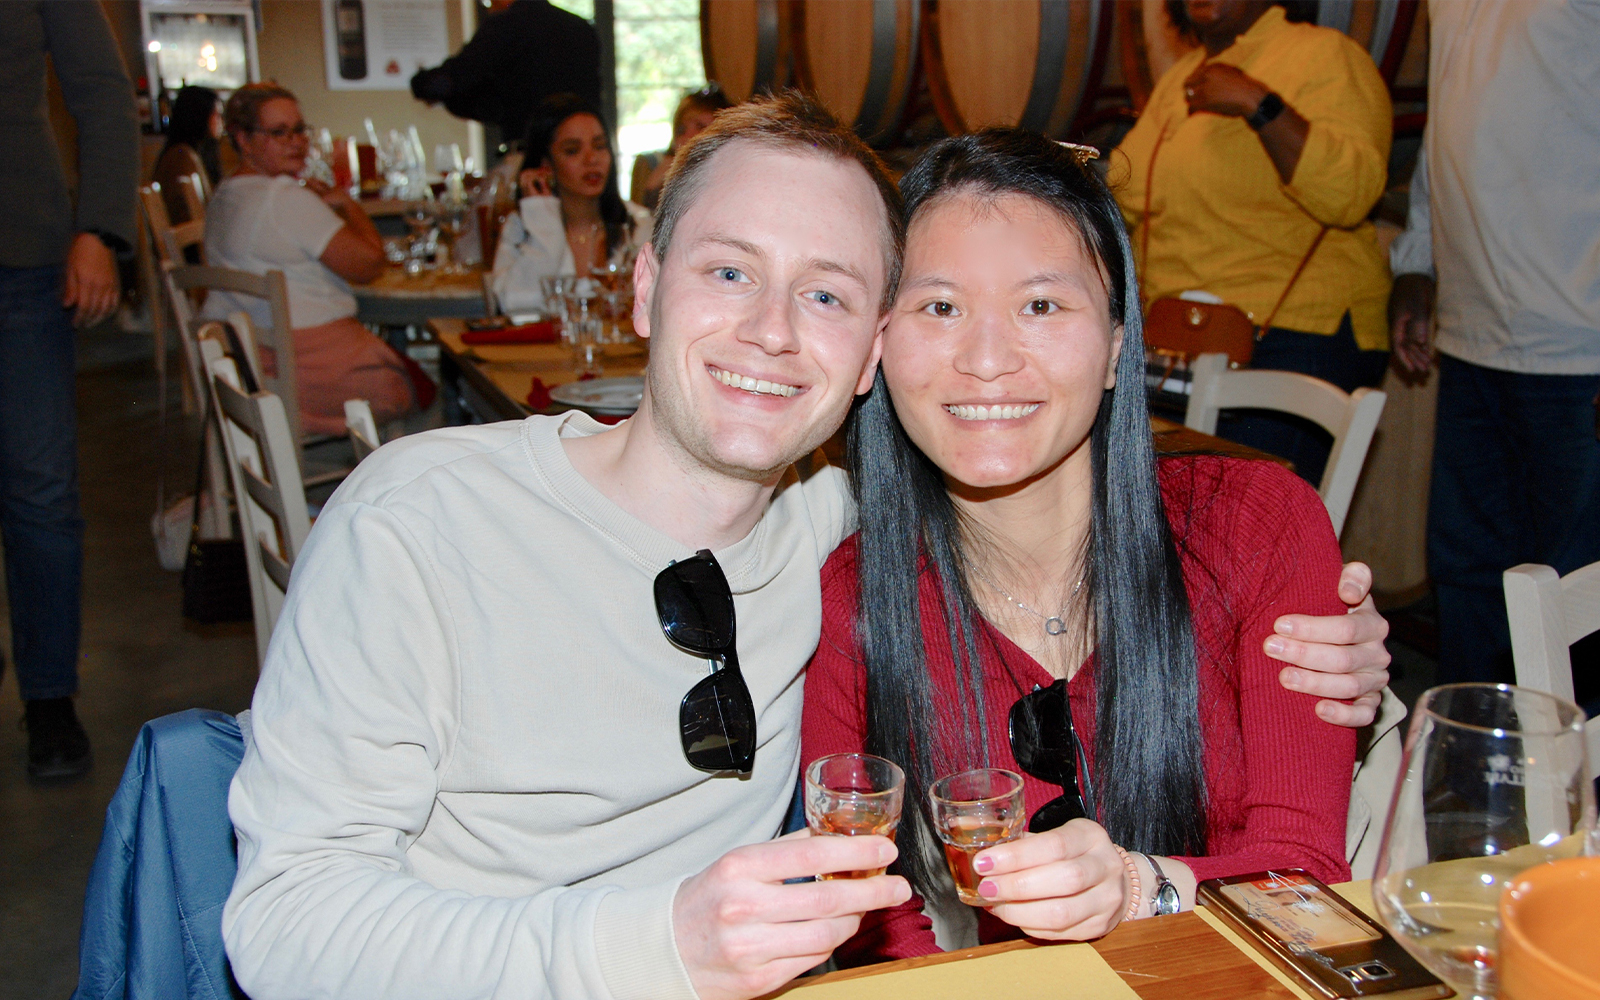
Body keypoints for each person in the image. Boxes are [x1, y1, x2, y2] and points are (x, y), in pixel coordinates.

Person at [224, 94, 1391, 1000]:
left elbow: (1295, 849)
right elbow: (279, 924)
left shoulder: (831, 542)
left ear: (865, 350)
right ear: (642, 289)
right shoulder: (420, 521)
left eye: (827, 294)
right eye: (729, 272)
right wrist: (662, 941)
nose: (772, 332)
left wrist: (1352, 677)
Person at [804, 129, 1357, 963]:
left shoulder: (1254, 525)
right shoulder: (852, 598)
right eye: (940, 306)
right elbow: (877, 925)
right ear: (879, 345)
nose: (986, 360)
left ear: (1116, 344)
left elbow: (1309, 881)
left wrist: (1143, 887)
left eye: (1041, 305)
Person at [1388, 0, 1600, 687]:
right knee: (1468, 576)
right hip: (1474, 333)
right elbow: (1451, 127)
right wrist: (1418, 260)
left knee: (1578, 601)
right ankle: (1476, 779)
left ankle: (1577, 789)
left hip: (1580, 340)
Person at [1113, 0, 1392, 485]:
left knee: (1248, 529)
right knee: (1173, 522)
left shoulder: (1326, 56)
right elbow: (1126, 191)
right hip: (1182, 346)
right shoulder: (1180, 76)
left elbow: (1351, 194)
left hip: (1294, 337)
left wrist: (1258, 104)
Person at [0, 0, 137, 780]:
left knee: (40, 489)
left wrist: (101, 226)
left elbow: (100, 90)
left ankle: (50, 697)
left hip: (21, 248)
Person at [203, 83, 417, 436]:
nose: (296, 141)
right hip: (300, 370)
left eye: (299, 130)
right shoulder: (283, 198)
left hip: (248, 362)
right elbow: (369, 264)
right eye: (278, 132)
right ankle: (382, 475)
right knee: (420, 387)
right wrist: (346, 205)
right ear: (243, 139)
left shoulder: (225, 195)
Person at [491, 93, 651, 316]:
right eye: (572, 150)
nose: (591, 159)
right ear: (546, 164)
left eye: (600, 146)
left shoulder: (639, 225)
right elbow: (516, 305)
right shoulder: (523, 225)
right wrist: (545, 222)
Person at [410, 0, 600, 148]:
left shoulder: (506, 25)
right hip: (584, 152)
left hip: (534, 155)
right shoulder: (582, 28)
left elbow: (451, 79)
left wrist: (421, 85)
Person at [630, 85, 734, 212]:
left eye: (700, 127)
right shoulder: (650, 164)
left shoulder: (731, 173)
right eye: (682, 129)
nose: (688, 136)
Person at [151, 85, 223, 224]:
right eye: (217, 115)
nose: (221, 122)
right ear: (201, 115)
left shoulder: (181, 152)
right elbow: (191, 218)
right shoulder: (182, 157)